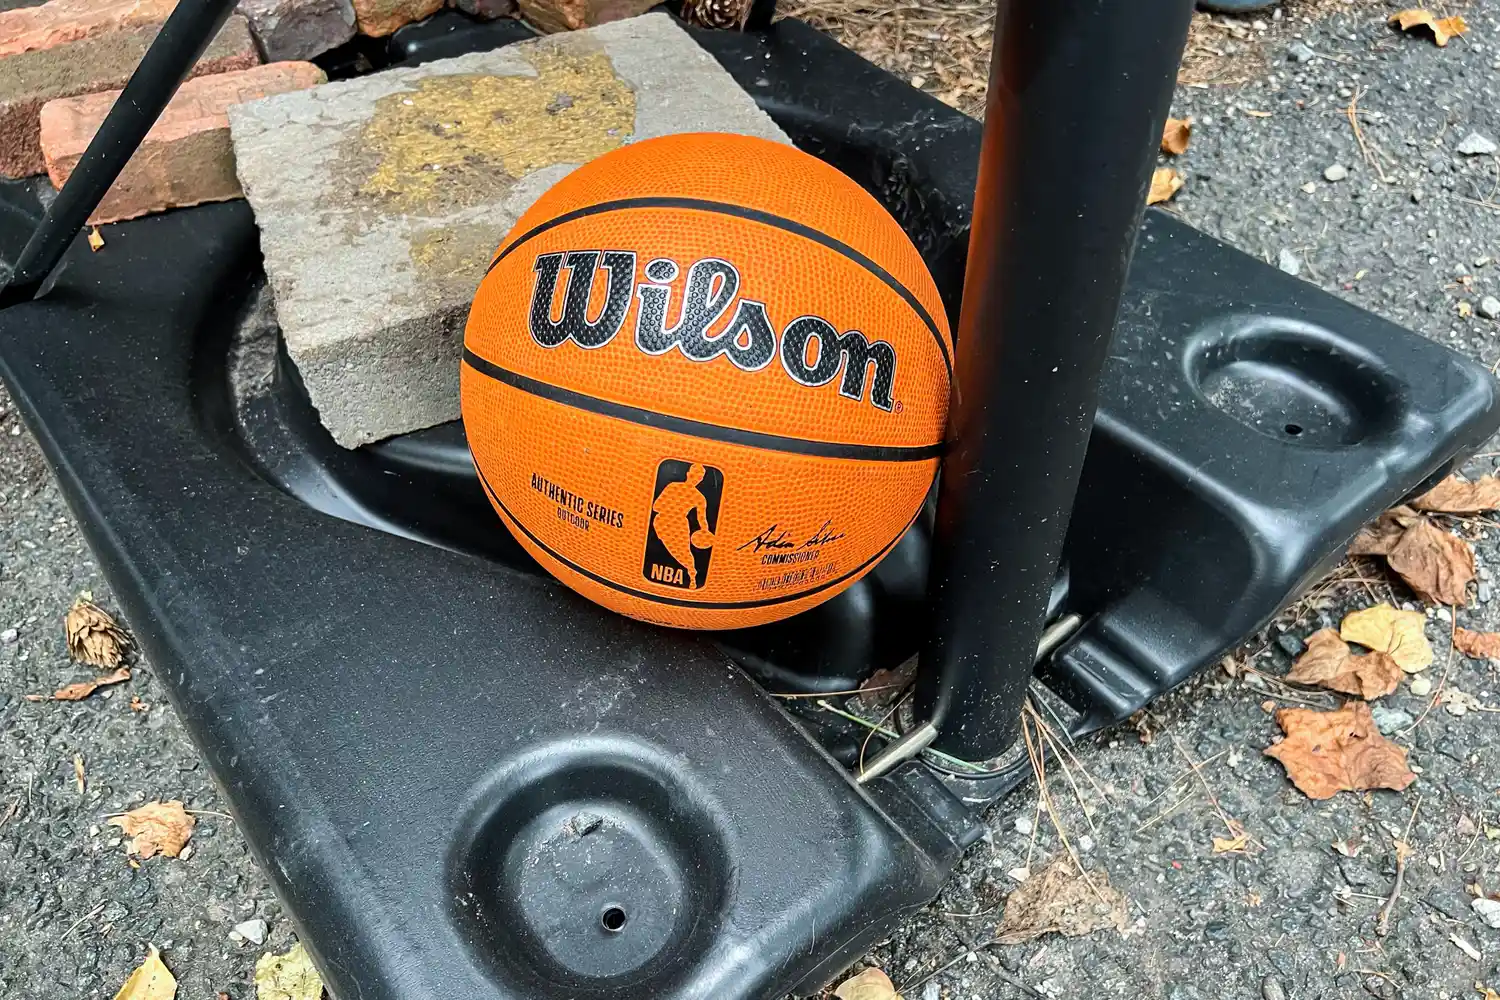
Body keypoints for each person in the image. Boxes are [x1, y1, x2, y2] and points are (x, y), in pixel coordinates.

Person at [651, 464, 714, 589]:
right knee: (669, 550)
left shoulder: (700, 498)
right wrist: (673, 507)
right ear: (688, 473)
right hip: (663, 521)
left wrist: (706, 532)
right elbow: (655, 506)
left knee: (684, 552)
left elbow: (702, 519)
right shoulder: (672, 487)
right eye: (694, 474)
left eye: (699, 477)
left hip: (679, 524)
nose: (696, 478)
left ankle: (691, 574)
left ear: (701, 479)